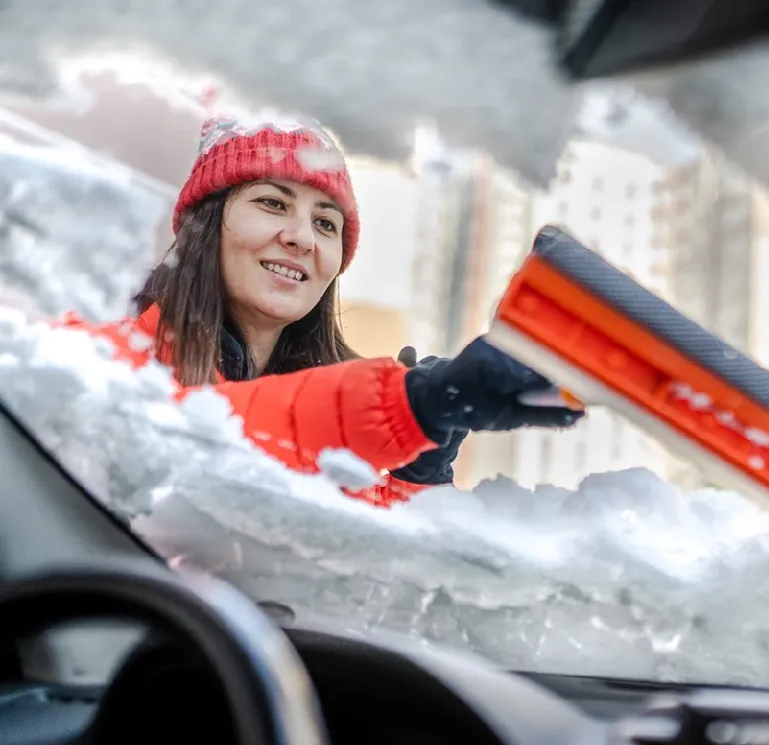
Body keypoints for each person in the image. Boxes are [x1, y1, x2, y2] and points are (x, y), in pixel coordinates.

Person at [65, 113, 584, 507]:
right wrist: (408, 407)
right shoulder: (97, 362)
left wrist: (414, 473)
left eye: (326, 224)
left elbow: (359, 585)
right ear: (206, 223)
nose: (300, 238)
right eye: (272, 203)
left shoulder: (339, 438)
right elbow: (195, 450)